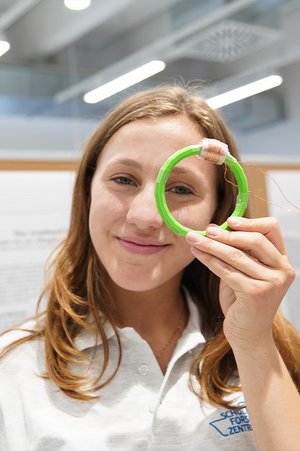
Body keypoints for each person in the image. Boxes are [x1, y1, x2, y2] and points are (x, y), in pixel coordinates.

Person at [0, 86, 299, 451]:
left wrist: (253, 343)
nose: (145, 217)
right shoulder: (12, 367)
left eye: (182, 189)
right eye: (123, 180)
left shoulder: (268, 349)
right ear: (87, 191)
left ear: (218, 214)